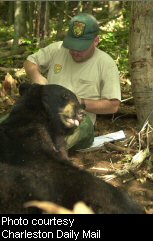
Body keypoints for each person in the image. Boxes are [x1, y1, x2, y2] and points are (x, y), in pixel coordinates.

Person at [23, 13, 121, 150]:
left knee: (49, 145)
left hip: (80, 118)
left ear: (96, 41)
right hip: (46, 110)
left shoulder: (105, 64)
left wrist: (79, 102)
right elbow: (30, 62)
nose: (75, 51)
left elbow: (113, 105)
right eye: (72, 45)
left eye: (81, 47)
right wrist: (36, 76)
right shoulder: (58, 49)